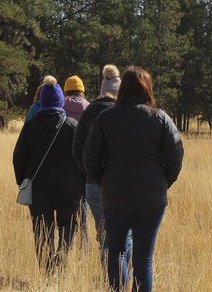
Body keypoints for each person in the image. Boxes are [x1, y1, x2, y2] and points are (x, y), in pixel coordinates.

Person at [83, 67, 184, 292]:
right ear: (147, 88)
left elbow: (89, 159)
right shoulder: (159, 118)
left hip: (115, 197)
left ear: (122, 90)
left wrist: (105, 183)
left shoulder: (105, 118)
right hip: (151, 200)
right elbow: (176, 156)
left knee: (115, 252)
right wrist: (161, 183)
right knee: (143, 260)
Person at [13, 75, 81, 273]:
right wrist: (80, 185)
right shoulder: (72, 127)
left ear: (42, 101)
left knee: (42, 229)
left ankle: (47, 270)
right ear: (61, 102)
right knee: (68, 226)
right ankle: (62, 256)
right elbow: (82, 160)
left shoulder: (30, 126)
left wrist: (23, 182)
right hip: (68, 188)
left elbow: (18, 158)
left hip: (39, 188)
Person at [72, 64, 131, 269]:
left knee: (104, 232)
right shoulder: (126, 113)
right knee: (125, 234)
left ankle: (111, 281)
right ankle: (126, 278)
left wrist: (89, 173)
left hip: (94, 184)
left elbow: (77, 149)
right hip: (122, 184)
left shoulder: (90, 112)